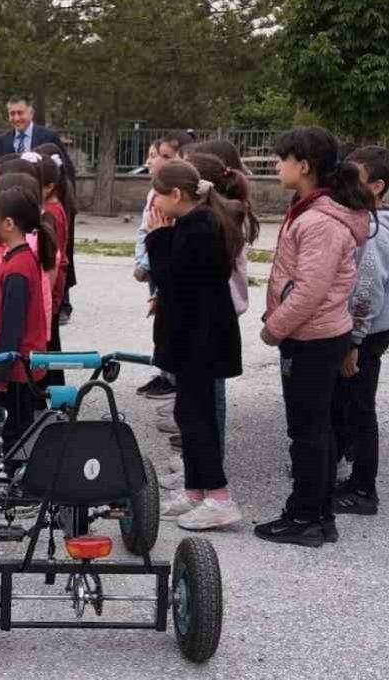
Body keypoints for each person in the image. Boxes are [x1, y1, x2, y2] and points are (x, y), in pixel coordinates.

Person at [255, 127, 371, 548]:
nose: (275, 165)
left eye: (281, 158)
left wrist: (274, 327)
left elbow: (310, 288)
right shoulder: (310, 209)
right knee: (314, 428)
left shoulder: (321, 220)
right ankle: (316, 512)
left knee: (306, 431)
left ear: (303, 165)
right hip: (315, 334)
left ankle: (306, 515)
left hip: (312, 337)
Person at [145, 160, 244, 531]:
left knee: (199, 417)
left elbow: (173, 279)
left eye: (156, 191)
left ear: (176, 195)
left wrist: (156, 239)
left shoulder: (200, 228)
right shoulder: (192, 224)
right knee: (188, 414)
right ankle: (195, 491)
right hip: (193, 338)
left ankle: (218, 497)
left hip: (201, 341)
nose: (153, 200)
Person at [329, 146, 389, 515]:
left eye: (353, 179)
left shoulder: (375, 232)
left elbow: (366, 291)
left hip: (362, 334)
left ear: (377, 187)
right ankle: (344, 471)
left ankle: (364, 489)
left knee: (360, 409)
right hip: (356, 332)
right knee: (346, 405)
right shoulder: (362, 221)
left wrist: (354, 342)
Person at [184, 144, 260, 457]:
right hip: (209, 316)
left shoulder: (214, 222)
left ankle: (208, 465)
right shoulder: (214, 216)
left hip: (212, 318)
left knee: (207, 395)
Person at [0, 185, 58, 461]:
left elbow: (11, 328)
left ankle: (20, 487)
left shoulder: (17, 269)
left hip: (15, 369)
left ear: (8, 224)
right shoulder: (21, 259)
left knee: (15, 434)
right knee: (18, 430)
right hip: (19, 367)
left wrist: (0, 376)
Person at [0, 97, 78, 321]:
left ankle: (62, 303)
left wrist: (60, 199)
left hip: (43, 205)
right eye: (12, 114)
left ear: (30, 113)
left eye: (20, 113)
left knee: (54, 252)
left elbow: (66, 170)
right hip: (20, 208)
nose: (16, 118)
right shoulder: (2, 141)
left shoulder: (48, 138)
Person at [0, 169, 54, 337]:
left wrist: (1, 361)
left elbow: (12, 329)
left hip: (7, 352)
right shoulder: (6, 251)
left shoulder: (19, 264)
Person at [135, 136, 187, 401]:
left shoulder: (174, 198)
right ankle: (165, 372)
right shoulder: (155, 192)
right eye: (156, 155)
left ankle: (173, 376)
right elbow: (144, 230)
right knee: (161, 321)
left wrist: (145, 262)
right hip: (155, 263)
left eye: (166, 156)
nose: (156, 160)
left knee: (170, 321)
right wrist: (141, 261)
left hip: (163, 263)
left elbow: (161, 234)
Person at [32, 149, 74, 387]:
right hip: (54, 286)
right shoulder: (53, 209)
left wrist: (45, 293)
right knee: (51, 342)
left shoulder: (50, 214)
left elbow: (53, 259)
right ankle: (56, 392)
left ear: (47, 187)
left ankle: (50, 392)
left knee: (48, 344)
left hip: (51, 286)